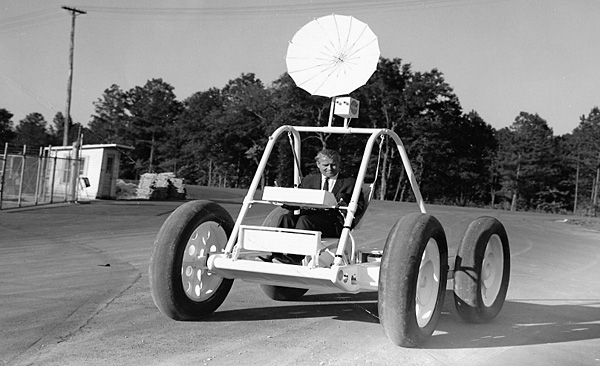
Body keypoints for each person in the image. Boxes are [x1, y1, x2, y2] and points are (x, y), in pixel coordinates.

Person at [263, 149, 364, 265]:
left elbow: (360, 206)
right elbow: (295, 201)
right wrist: (281, 198)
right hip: (309, 218)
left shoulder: (350, 183)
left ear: (339, 164)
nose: (330, 168)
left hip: (333, 223)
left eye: (334, 165)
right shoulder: (308, 181)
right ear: (318, 165)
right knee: (286, 219)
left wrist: (346, 205)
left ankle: (294, 258)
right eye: (326, 165)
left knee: (304, 220)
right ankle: (275, 256)